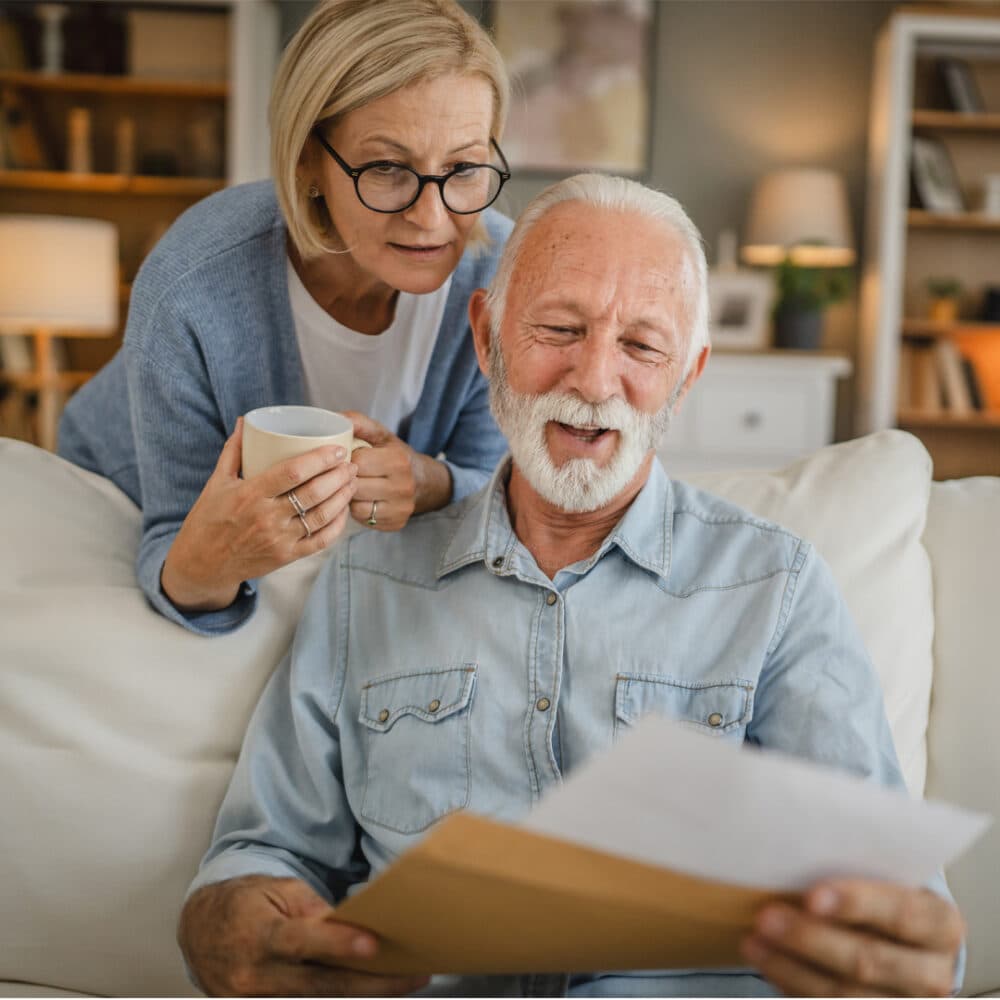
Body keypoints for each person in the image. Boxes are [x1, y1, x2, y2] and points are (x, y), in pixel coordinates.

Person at [177, 174, 964, 997]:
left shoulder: (777, 588)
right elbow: (264, 852)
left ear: (688, 377)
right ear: (487, 340)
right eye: (559, 328)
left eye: (642, 347)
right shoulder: (367, 580)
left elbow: (893, 904)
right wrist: (226, 923)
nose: (593, 380)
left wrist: (897, 953)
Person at [56, 0, 513, 635]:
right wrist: (215, 559)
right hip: (117, 488)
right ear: (306, 160)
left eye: (462, 168)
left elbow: (497, 493)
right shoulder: (192, 284)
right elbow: (178, 557)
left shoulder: (501, 281)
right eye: (385, 169)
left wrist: (430, 482)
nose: (432, 218)